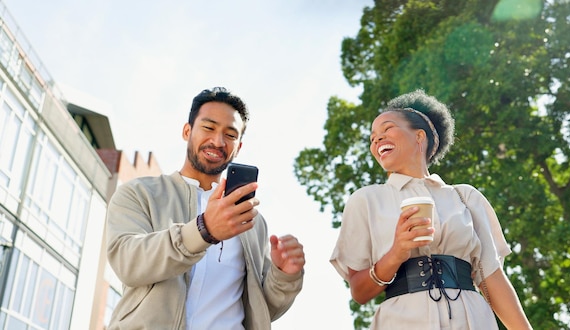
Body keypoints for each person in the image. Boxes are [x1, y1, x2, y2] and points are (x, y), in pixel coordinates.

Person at [330, 89, 532, 329]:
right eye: (373, 137)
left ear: (419, 136)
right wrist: (396, 252)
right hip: (402, 322)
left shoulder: (465, 197)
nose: (377, 140)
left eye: (387, 129)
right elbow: (359, 292)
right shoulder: (365, 200)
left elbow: (492, 277)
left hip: (472, 320)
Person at [106, 87, 305, 330]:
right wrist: (204, 230)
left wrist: (285, 276)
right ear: (187, 131)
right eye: (208, 128)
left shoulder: (252, 221)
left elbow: (261, 309)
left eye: (230, 135)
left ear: (239, 147)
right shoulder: (139, 193)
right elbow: (128, 263)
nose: (218, 141)